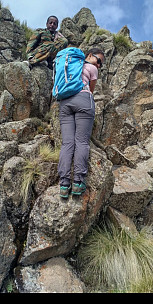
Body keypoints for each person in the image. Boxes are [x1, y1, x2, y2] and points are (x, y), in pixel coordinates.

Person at [57, 47, 103, 199]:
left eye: (100, 64)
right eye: (99, 60)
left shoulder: (68, 66)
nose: (99, 65)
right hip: (83, 100)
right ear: (90, 55)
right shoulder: (91, 68)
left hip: (65, 103)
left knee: (67, 143)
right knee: (82, 142)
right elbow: (91, 89)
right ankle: (77, 182)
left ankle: (64, 185)